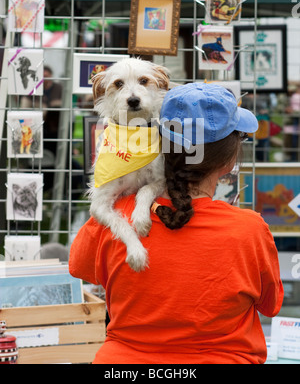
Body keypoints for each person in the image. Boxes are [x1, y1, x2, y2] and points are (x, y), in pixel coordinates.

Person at [69, 83, 284, 365]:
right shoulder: (249, 229)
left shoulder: (116, 215)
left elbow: (79, 267)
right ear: (229, 160)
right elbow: (270, 305)